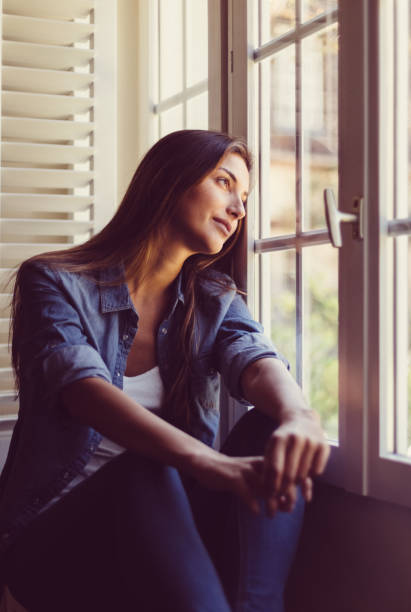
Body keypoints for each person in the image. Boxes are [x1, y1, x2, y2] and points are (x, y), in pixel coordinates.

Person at [0, 130, 330, 612]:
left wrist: (301, 417)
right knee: (145, 468)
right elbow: (81, 387)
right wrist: (207, 462)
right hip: (54, 540)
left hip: (168, 525)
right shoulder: (53, 281)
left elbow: (255, 358)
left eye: (244, 198)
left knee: (270, 426)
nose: (239, 210)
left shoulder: (213, 298)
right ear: (168, 180)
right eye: (224, 182)